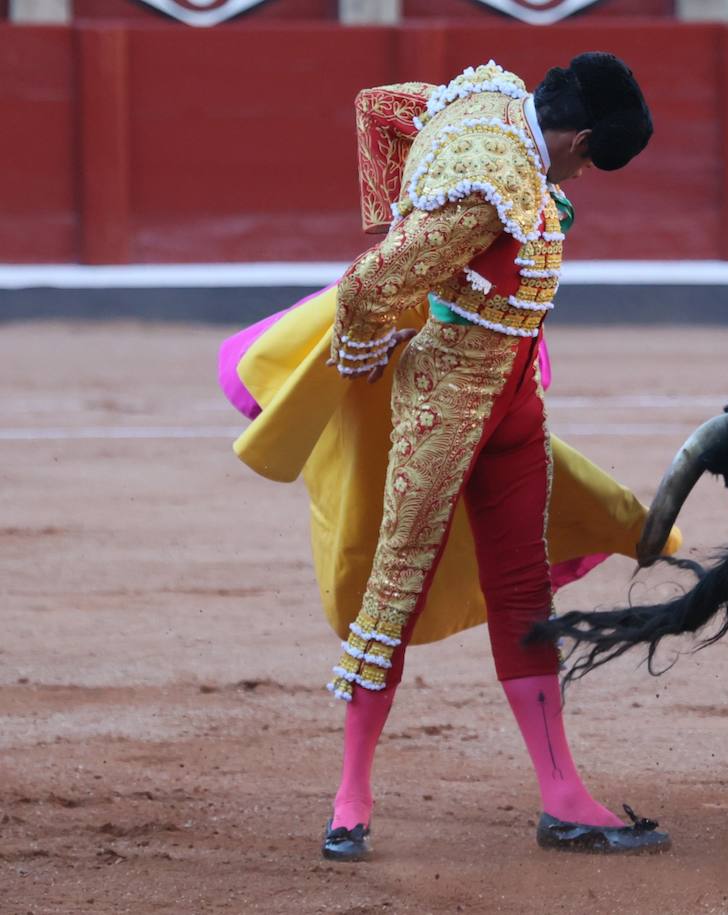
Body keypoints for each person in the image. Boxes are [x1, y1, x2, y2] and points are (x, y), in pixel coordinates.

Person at [219, 53, 675, 862]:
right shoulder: (487, 190)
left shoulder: (489, 104)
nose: (582, 177)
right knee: (394, 585)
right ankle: (351, 796)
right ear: (579, 138)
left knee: (522, 588)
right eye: (590, 161)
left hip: (514, 404)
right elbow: (367, 288)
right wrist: (363, 344)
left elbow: (383, 109)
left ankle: (563, 797)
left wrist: (400, 218)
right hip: (444, 407)